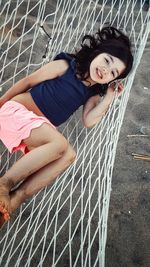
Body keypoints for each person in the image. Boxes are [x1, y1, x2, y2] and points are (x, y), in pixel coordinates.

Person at [0, 26, 133, 227]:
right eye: (107, 60)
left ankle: (17, 197)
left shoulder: (93, 92)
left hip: (35, 129)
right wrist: (2, 101)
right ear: (96, 53)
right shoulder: (66, 66)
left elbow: (89, 121)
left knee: (69, 155)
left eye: (113, 72)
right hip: (15, 113)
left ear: (113, 79)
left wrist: (109, 98)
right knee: (60, 144)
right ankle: (4, 183)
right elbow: (27, 81)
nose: (106, 70)